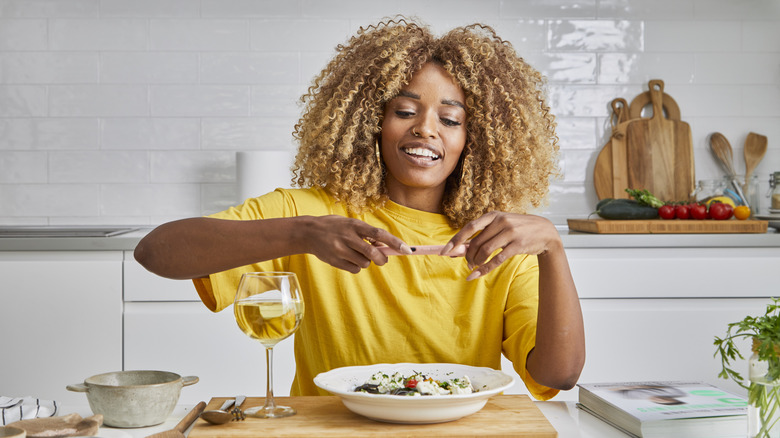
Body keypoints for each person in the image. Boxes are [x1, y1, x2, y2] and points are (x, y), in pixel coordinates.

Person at [134, 16, 585, 401]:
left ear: (475, 140)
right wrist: (302, 235)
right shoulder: (312, 213)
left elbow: (557, 375)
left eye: (450, 120)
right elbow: (155, 252)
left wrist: (553, 249)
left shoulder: (497, 240)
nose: (426, 130)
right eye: (405, 111)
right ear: (371, 121)